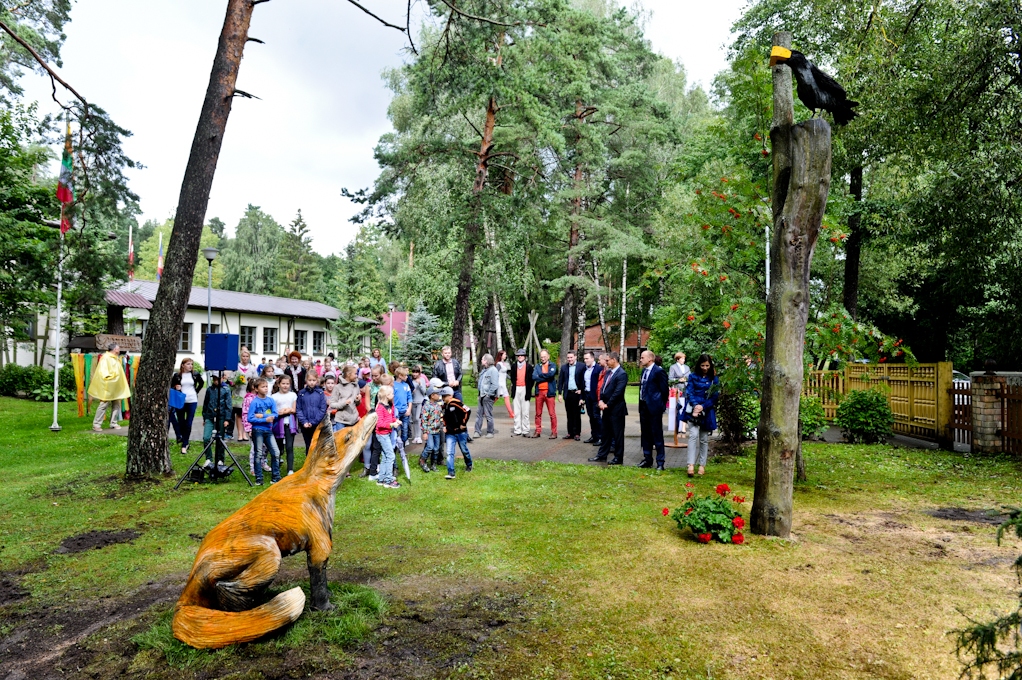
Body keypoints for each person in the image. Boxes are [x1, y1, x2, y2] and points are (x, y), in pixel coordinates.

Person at [684, 354, 720, 477]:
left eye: (707, 365)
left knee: (704, 439)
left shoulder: (714, 379)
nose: (705, 368)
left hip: (707, 410)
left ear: (710, 366)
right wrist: (696, 406)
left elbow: (715, 396)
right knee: (693, 435)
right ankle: (690, 464)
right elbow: (689, 392)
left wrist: (703, 406)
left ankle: (702, 465)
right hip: (693, 410)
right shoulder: (692, 376)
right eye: (703, 365)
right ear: (699, 365)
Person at [591, 352, 627, 465]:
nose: (606, 362)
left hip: (616, 410)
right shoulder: (608, 373)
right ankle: (602, 455)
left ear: (614, 360)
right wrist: (601, 400)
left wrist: (608, 404)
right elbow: (602, 388)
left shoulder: (621, 374)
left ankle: (618, 457)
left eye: (608, 360)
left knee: (617, 435)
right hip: (606, 409)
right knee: (605, 433)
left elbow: (618, 392)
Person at [637, 350, 670, 470]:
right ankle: (647, 459)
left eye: (642, 357)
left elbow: (664, 390)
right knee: (645, 434)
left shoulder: (659, 371)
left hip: (654, 407)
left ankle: (660, 462)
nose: (640, 360)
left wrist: (661, 406)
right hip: (644, 406)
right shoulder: (644, 371)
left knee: (657, 434)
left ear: (650, 359)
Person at [89, 342, 131, 431]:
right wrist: (113, 377)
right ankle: (96, 424)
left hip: (116, 386)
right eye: (118, 348)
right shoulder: (105, 358)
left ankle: (113, 423)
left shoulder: (115, 359)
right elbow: (103, 371)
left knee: (116, 404)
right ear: (115, 349)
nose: (119, 350)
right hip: (108, 386)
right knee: (103, 404)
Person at [247, 377, 281, 484]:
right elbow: (250, 418)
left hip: (268, 430)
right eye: (263, 387)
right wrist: (265, 419)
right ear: (256, 389)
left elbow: (275, 414)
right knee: (258, 453)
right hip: (258, 430)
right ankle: (259, 478)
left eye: (266, 386)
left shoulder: (271, 400)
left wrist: (262, 415)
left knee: (276, 452)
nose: (266, 388)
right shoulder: (254, 402)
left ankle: (275, 477)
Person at [170, 358, 205, 455]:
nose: (190, 366)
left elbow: (201, 383)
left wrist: (196, 391)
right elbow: (171, 386)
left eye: (191, 364)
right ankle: (183, 438)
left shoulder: (195, 374)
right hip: (181, 400)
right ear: (183, 365)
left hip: (192, 400)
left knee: (188, 423)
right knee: (181, 422)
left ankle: (185, 444)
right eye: (188, 364)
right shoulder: (177, 375)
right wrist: (176, 387)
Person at [200, 372, 232, 468]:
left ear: (222, 378)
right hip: (209, 416)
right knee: (206, 438)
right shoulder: (209, 389)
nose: (215, 381)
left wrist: (227, 419)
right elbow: (206, 403)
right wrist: (204, 417)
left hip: (221, 417)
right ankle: (208, 458)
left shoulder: (226, 390)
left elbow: (228, 405)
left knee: (220, 439)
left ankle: (220, 459)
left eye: (217, 379)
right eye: (214, 379)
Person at [441, 387, 473, 479]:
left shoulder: (456, 403)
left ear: (450, 395)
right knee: (450, 452)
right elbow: (443, 417)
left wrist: (463, 423)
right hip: (450, 433)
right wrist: (444, 426)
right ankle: (451, 472)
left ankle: (469, 464)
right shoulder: (444, 406)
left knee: (464, 449)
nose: (443, 398)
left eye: (445, 396)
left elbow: (467, 410)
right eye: (442, 396)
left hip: (460, 432)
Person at [374, 385, 401, 489]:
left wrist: (396, 421)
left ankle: (382, 478)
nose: (393, 395)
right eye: (391, 393)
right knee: (391, 456)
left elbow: (392, 417)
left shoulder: (391, 405)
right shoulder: (380, 408)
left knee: (385, 456)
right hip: (382, 434)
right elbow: (379, 423)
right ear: (386, 395)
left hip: (388, 433)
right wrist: (391, 425)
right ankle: (389, 480)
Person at [272, 375, 299, 475]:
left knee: (289, 446)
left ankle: (290, 469)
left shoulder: (293, 395)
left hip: (289, 424)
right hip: (278, 424)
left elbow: (294, 409)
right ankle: (276, 467)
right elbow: (274, 411)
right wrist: (281, 412)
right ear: (279, 384)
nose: (285, 386)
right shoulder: (274, 397)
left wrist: (288, 410)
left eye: (287, 384)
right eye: (283, 383)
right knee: (278, 448)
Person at [231, 346, 258, 441]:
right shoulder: (236, 366)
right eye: (243, 356)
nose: (245, 358)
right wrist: (234, 381)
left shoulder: (252, 368)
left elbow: (256, 380)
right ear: (240, 357)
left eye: (247, 356)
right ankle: (239, 434)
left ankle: (245, 433)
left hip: (248, 394)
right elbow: (231, 378)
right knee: (239, 414)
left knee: (246, 414)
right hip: (238, 393)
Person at [557, 350, 585, 441]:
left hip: (577, 393)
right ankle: (570, 433)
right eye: (568, 358)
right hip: (568, 393)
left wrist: (582, 392)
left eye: (571, 357)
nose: (569, 359)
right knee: (569, 414)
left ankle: (577, 433)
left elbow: (584, 380)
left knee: (576, 414)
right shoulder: (564, 367)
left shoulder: (581, 366)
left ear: (575, 357)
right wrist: (560, 393)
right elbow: (560, 381)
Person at [296, 371, 327, 452]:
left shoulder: (320, 393)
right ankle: (309, 463)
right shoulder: (301, 393)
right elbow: (299, 409)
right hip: (305, 425)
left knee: (317, 445)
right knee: (308, 445)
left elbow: (322, 409)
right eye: (310, 380)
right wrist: (304, 421)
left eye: (313, 380)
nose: (312, 382)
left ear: (317, 380)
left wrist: (314, 422)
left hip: (317, 424)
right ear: (306, 380)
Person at [531, 350, 558, 439]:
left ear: (548, 356)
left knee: (552, 413)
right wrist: (545, 376)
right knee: (538, 413)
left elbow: (551, 374)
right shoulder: (537, 366)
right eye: (541, 357)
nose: (543, 358)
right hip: (539, 393)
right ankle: (537, 431)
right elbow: (534, 377)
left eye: (544, 356)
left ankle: (554, 432)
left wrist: (540, 376)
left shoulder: (553, 365)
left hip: (549, 393)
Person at [509, 349, 534, 436]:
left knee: (525, 411)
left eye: (521, 355)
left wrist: (528, 390)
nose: (520, 357)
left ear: (525, 357)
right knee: (516, 411)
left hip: (525, 389)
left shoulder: (529, 367)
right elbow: (512, 378)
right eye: (518, 355)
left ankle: (526, 430)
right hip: (516, 389)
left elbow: (531, 380)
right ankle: (517, 430)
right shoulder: (513, 366)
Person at [419, 387, 444, 472]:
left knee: (436, 448)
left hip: (437, 431)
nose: (439, 396)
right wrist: (425, 432)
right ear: (432, 396)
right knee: (430, 446)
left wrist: (442, 426)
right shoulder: (426, 406)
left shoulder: (438, 406)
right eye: (437, 394)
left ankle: (433, 464)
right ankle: (422, 460)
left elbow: (441, 417)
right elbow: (423, 420)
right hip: (429, 431)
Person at [582, 351, 604, 447]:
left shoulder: (598, 369)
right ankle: (594, 435)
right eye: (584, 359)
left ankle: (600, 437)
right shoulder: (585, 369)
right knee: (591, 416)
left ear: (592, 358)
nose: (585, 360)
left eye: (587, 358)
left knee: (596, 416)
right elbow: (583, 383)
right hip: (587, 395)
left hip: (595, 396)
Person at [474, 353, 499, 438]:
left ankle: (490, 432)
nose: (481, 361)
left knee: (488, 415)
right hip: (481, 395)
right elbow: (481, 384)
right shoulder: (484, 370)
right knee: (479, 414)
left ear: (486, 361)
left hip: (488, 396)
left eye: (482, 359)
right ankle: (477, 431)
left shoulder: (493, 370)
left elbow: (495, 385)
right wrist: (479, 394)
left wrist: (488, 395)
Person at [332, 365, 361, 432]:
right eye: (355, 374)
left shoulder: (356, 385)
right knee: (341, 441)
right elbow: (332, 404)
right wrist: (344, 403)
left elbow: (356, 404)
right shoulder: (338, 387)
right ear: (348, 374)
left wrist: (358, 400)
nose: (356, 376)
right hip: (341, 421)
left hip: (354, 420)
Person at [669, 351, 691, 436]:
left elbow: (690, 377)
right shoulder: (673, 367)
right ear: (678, 359)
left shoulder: (687, 367)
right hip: (677, 390)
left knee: (685, 407)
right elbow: (670, 379)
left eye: (684, 358)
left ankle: (683, 428)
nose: (684, 360)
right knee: (677, 408)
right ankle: (676, 427)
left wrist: (686, 379)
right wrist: (678, 380)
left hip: (686, 389)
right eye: (682, 358)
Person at [410, 365, 430, 444]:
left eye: (416, 372)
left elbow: (424, 391)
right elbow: (409, 391)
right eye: (413, 372)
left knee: (418, 419)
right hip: (413, 401)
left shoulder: (422, 379)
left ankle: (419, 436)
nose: (415, 374)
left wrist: (420, 385)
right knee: (414, 419)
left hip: (420, 401)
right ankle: (416, 436)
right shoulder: (410, 380)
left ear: (419, 373)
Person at [393, 366, 413, 444]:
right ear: (400, 376)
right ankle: (395, 446)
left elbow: (410, 398)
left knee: (405, 431)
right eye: (405, 375)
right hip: (396, 412)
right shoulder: (393, 385)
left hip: (405, 411)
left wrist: (409, 409)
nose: (407, 377)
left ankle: (403, 447)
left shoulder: (406, 386)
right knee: (396, 430)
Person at [494, 350, 515, 419]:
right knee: (502, 397)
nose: (505, 355)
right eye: (504, 354)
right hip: (499, 384)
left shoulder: (503, 364)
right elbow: (495, 372)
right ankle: (511, 413)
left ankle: (511, 413)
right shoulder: (499, 364)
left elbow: (505, 374)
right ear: (501, 356)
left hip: (503, 384)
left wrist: (511, 379)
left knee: (500, 397)